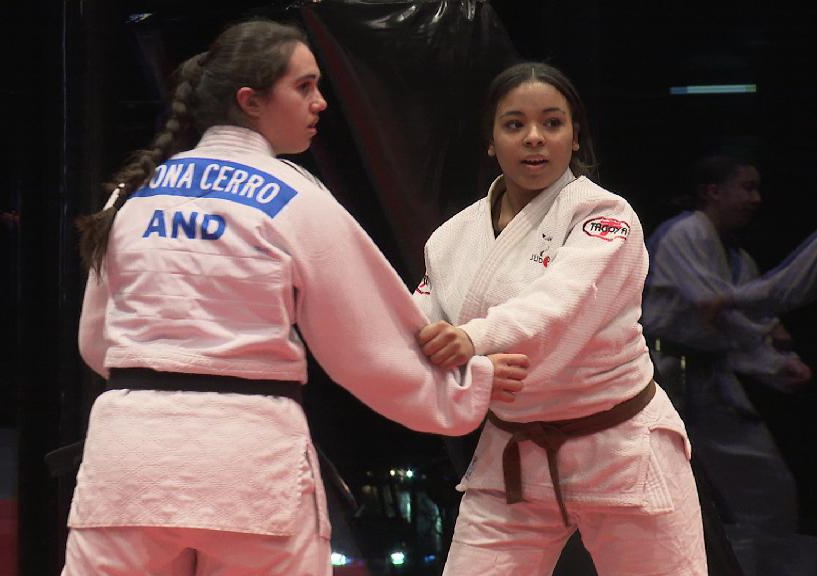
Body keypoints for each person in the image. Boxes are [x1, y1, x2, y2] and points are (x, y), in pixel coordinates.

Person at [62, 19, 528, 575]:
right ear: (251, 101)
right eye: (303, 87)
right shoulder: (293, 197)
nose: (321, 103)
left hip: (127, 463)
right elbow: (370, 349)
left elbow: (98, 344)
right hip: (247, 466)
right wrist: (468, 385)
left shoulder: (136, 195)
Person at [413, 61, 705, 575]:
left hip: (619, 448)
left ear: (575, 138)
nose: (534, 138)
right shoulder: (450, 240)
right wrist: (460, 364)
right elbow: (417, 335)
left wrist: (470, 340)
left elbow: (556, 307)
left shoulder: (606, 217)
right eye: (514, 124)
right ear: (490, 140)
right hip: (514, 456)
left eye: (552, 123)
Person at [642, 154, 817, 574]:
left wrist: (778, 362)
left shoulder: (738, 259)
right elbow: (716, 311)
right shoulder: (685, 232)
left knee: (764, 491)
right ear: (712, 191)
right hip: (667, 376)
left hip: (708, 379)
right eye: (747, 187)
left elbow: (734, 329)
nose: (755, 198)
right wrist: (772, 355)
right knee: (666, 494)